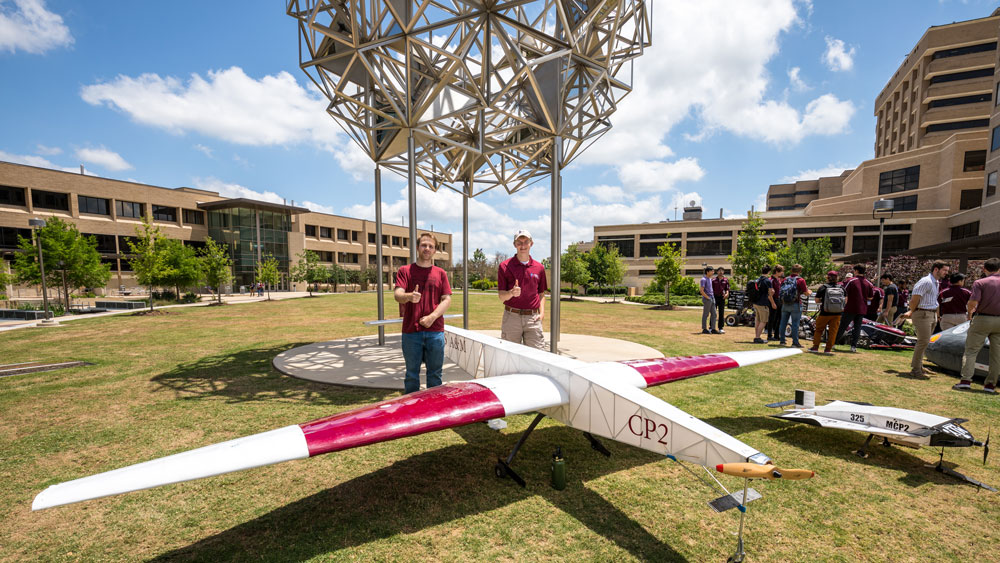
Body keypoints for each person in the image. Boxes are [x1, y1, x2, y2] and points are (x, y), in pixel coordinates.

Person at [393, 232, 453, 393]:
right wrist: (409, 296)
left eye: (431, 246)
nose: (427, 248)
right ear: (418, 247)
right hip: (411, 332)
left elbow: (446, 299)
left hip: (435, 332)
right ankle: (411, 412)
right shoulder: (405, 271)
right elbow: (397, 295)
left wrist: (433, 317)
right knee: (412, 375)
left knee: (435, 375)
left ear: (435, 251)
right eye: (424, 245)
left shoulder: (441, 273)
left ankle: (434, 410)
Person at [953, 257, 1000, 394]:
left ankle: (966, 381)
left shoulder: (980, 282)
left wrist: (969, 314)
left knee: (971, 350)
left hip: (983, 318)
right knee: (996, 355)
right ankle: (990, 385)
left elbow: (973, 302)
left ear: (984, 269)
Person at [497, 229, 547, 349]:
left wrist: (542, 313)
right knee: (510, 356)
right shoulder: (504, 266)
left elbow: (541, 294)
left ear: (531, 244)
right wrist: (511, 293)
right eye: (519, 242)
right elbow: (501, 296)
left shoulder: (539, 267)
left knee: (537, 356)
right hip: (511, 318)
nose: (523, 245)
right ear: (515, 245)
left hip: (533, 318)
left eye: (526, 242)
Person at [900, 261, 950, 378]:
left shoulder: (936, 282)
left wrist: (936, 315)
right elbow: (914, 300)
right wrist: (912, 311)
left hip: (930, 314)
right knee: (923, 342)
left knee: (925, 342)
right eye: (944, 270)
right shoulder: (926, 281)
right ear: (936, 269)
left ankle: (919, 367)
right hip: (922, 314)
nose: (946, 273)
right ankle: (916, 370)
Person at [835, 264, 874, 353]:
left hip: (850, 307)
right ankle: (853, 346)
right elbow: (870, 297)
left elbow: (843, 292)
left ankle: (833, 343)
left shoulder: (851, 280)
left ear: (856, 271)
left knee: (842, 326)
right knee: (857, 328)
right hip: (862, 308)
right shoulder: (869, 283)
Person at [809, 270, 845, 355]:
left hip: (825, 313)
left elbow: (817, 300)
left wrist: (824, 301)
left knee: (818, 330)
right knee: (833, 331)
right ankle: (828, 349)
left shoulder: (823, 287)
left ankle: (815, 347)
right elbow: (845, 300)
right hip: (837, 313)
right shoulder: (841, 288)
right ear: (837, 278)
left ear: (827, 277)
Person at [777, 264, 810, 347]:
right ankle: (795, 342)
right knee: (795, 324)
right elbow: (806, 293)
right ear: (800, 271)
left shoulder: (785, 279)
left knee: (783, 323)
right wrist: (810, 292)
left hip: (785, 304)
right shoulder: (801, 280)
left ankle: (782, 341)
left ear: (791, 270)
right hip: (796, 304)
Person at [751, 265, 776, 344]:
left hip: (756, 302)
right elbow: (770, 294)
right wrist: (773, 303)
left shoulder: (757, 280)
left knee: (757, 320)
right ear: (769, 272)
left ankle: (757, 336)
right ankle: (757, 337)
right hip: (763, 303)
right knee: (764, 321)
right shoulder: (768, 281)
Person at [767, 265, 785, 341]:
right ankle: (769, 335)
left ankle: (777, 335)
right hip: (773, 300)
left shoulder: (778, 280)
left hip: (778, 300)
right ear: (777, 272)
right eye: (781, 271)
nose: (782, 273)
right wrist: (773, 303)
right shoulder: (771, 280)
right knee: (772, 318)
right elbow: (769, 294)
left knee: (779, 318)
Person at [699, 266, 718, 334]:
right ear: (707, 272)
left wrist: (712, 298)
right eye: (712, 271)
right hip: (707, 299)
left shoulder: (710, 279)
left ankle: (713, 328)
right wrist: (708, 298)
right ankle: (704, 329)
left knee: (714, 314)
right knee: (706, 314)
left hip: (712, 298)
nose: (713, 272)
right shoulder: (703, 279)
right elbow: (701, 290)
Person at [712, 267, 730, 334]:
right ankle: (712, 327)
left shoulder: (726, 280)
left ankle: (720, 328)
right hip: (714, 297)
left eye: (722, 271)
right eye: (719, 271)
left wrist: (726, 294)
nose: (721, 272)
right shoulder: (713, 280)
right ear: (717, 272)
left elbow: (727, 289)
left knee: (721, 313)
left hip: (722, 298)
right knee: (713, 313)